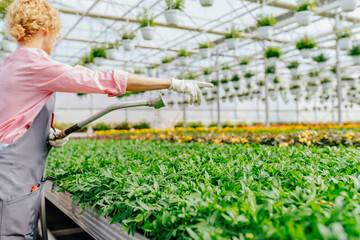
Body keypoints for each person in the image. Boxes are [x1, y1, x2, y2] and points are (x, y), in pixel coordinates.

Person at [0, 0, 213, 238]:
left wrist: (45, 133)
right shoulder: (34, 63)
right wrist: (172, 83)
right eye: (56, 34)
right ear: (45, 29)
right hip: (14, 175)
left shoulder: (10, 63)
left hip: (12, 170)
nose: (54, 41)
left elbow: (14, 118)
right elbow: (100, 79)